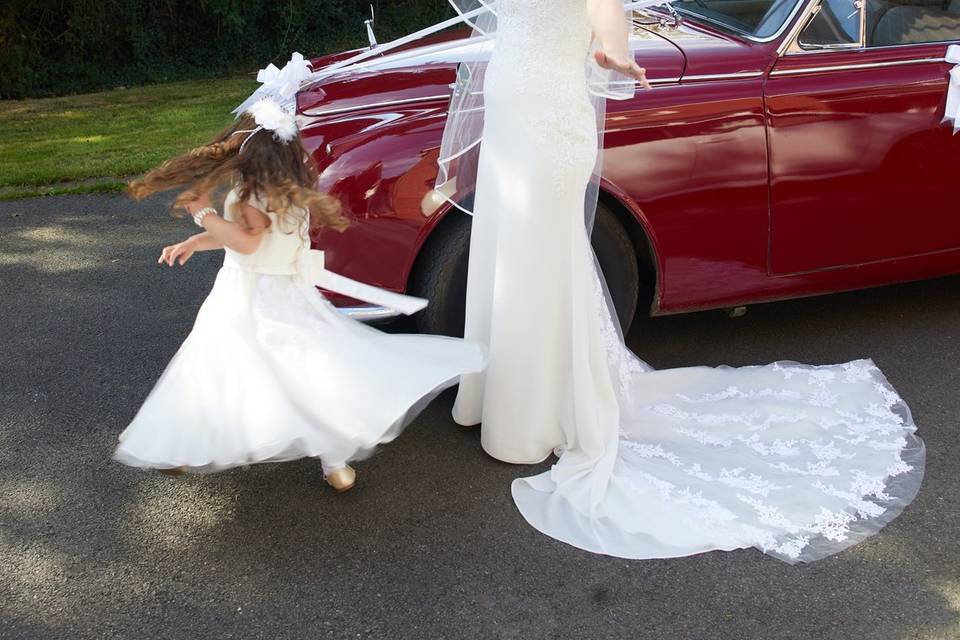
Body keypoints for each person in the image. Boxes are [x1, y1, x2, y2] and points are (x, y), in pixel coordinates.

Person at [439, 0, 925, 562]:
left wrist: (605, 47)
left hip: (512, 93)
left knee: (516, 249)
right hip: (547, 109)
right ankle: (524, 414)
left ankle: (497, 404)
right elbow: (608, 29)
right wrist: (617, 57)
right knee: (539, 253)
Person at [113, 84, 485, 492]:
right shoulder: (287, 195)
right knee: (307, 376)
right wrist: (194, 243)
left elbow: (247, 242)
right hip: (292, 296)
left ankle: (181, 445)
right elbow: (245, 236)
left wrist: (202, 216)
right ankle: (335, 465)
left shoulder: (249, 197)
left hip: (248, 295)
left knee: (215, 366)